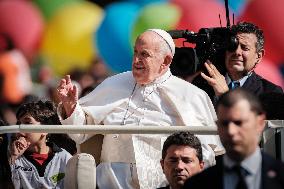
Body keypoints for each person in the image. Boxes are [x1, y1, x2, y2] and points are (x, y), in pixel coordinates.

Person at [56, 28, 224, 189]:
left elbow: (206, 152)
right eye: (135, 52)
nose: (136, 60)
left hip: (163, 183)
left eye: (144, 54)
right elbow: (80, 131)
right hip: (112, 183)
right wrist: (70, 106)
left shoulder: (191, 95)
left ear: (165, 61)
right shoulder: (114, 84)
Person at [183, 89, 284, 189]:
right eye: (225, 124)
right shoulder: (197, 184)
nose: (231, 131)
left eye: (238, 123)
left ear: (260, 123)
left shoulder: (280, 177)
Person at [193, 22, 283, 104]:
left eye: (245, 48)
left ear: (258, 56)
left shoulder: (271, 93)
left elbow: (259, 122)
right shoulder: (202, 84)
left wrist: (224, 95)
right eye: (232, 46)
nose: (237, 52)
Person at [8, 101, 72, 189]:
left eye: (27, 123)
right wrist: (14, 157)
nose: (20, 129)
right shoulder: (12, 157)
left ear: (45, 129)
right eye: (19, 124)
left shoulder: (65, 158)